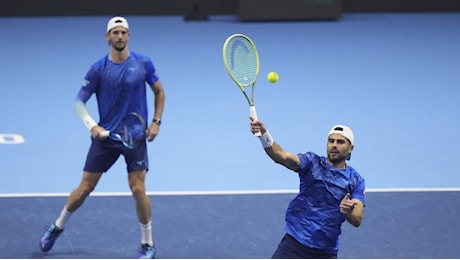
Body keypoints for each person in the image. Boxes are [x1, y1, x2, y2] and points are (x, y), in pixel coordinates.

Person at [39, 16, 165, 259]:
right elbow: (79, 103)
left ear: (128, 36)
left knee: (138, 190)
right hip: (105, 139)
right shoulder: (98, 69)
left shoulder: (144, 63)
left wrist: (156, 122)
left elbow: (159, 91)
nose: (119, 36)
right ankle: (57, 227)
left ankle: (148, 244)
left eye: (123, 32)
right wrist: (92, 126)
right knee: (85, 188)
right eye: (114, 33)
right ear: (107, 37)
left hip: (135, 137)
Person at [249, 116, 365, 259]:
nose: (334, 145)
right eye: (331, 141)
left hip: (325, 252)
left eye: (340, 142)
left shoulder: (355, 180)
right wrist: (264, 135)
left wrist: (348, 212)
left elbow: (357, 219)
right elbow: (282, 157)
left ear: (350, 148)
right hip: (294, 245)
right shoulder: (311, 163)